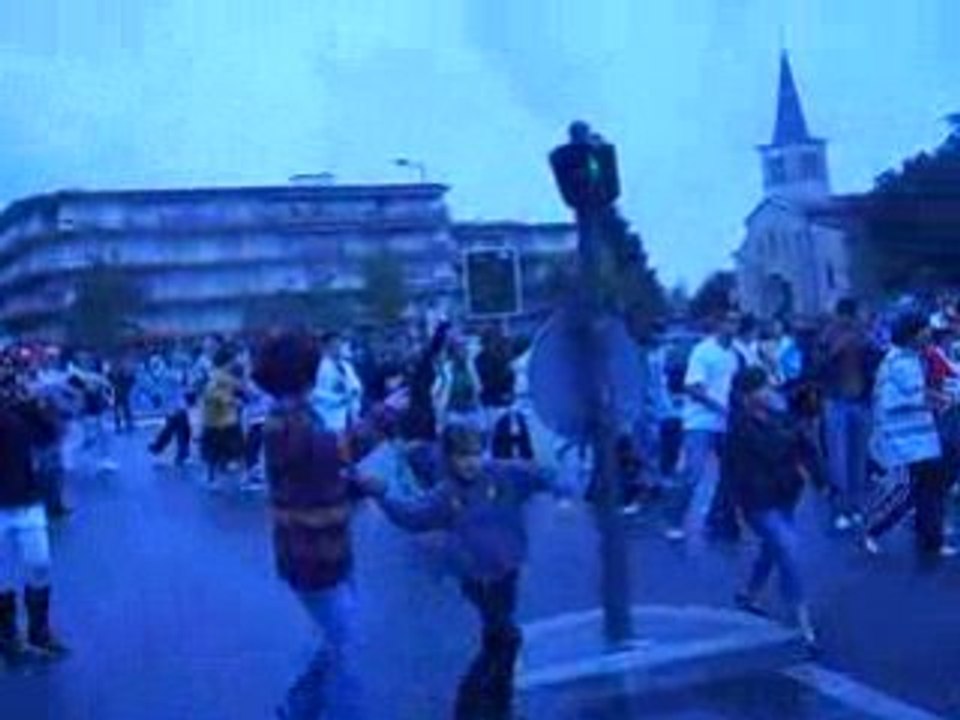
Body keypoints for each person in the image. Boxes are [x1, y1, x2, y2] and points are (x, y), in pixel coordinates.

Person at [358, 422, 568, 720]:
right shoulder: (446, 494)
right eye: (462, 456)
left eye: (475, 454)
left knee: (496, 638)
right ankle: (469, 706)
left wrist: (563, 492)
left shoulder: (504, 474)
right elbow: (412, 517)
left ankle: (498, 703)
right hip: (477, 577)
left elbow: (541, 474)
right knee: (506, 637)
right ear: (449, 458)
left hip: (508, 568)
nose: (471, 463)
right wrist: (382, 497)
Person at [253, 329, 403, 720]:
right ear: (303, 372)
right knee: (346, 644)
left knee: (335, 639)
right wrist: (386, 413)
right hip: (311, 553)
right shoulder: (285, 422)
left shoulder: (298, 414)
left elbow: (316, 473)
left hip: (325, 547)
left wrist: (355, 484)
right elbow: (335, 451)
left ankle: (297, 708)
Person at [727, 366, 819, 650]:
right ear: (748, 395)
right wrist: (798, 425)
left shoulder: (778, 417)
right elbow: (773, 448)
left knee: (773, 548)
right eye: (764, 388)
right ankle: (802, 623)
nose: (771, 391)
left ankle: (749, 593)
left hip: (784, 494)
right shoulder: (741, 425)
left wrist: (822, 478)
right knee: (788, 549)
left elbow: (806, 449)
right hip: (757, 501)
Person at [863, 310, 957, 559]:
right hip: (904, 440)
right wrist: (948, 399)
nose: (930, 332)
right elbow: (920, 395)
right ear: (911, 333)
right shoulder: (901, 362)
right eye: (924, 328)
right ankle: (872, 529)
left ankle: (931, 538)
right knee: (907, 491)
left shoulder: (907, 357)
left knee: (929, 487)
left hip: (919, 438)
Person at [0, 369, 68, 668]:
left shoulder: (20, 411)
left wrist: (38, 406)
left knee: (39, 564)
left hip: (27, 501)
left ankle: (39, 631)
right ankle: (8, 637)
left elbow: (51, 437)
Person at [664, 309, 741, 541]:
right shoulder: (703, 351)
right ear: (719, 324)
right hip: (700, 422)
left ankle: (716, 518)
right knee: (693, 473)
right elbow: (692, 387)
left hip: (725, 423)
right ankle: (674, 520)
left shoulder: (734, 355)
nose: (733, 326)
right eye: (729, 321)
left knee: (730, 472)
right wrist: (719, 407)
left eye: (737, 322)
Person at [815, 298, 880, 531]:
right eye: (849, 316)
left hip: (860, 402)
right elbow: (816, 367)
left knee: (858, 459)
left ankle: (856, 508)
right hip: (836, 402)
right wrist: (836, 349)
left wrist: (868, 343)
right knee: (838, 461)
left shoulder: (864, 336)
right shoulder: (826, 336)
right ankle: (839, 511)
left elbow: (877, 361)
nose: (851, 321)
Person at [312, 332, 364, 434]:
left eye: (339, 345)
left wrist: (355, 390)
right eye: (334, 346)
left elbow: (356, 383)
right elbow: (315, 393)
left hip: (351, 413)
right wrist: (338, 399)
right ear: (326, 347)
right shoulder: (319, 367)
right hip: (329, 416)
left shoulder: (346, 366)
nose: (338, 348)